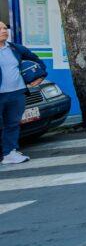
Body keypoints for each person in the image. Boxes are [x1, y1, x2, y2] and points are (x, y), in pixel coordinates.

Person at [0, 20, 46, 165]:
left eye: (5, 28)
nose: (4, 30)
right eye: (0, 28)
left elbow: (36, 60)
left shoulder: (14, 48)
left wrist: (41, 76)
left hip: (17, 93)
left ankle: (9, 153)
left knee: (12, 123)